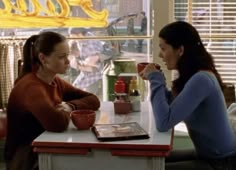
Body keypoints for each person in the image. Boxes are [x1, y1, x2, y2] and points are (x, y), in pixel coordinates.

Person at [139, 21, 236, 170]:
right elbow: (168, 106)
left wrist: (155, 79)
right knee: (149, 161)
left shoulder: (201, 79)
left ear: (180, 50)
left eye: (163, 48)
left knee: (152, 167)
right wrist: (158, 79)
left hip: (222, 163)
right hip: (207, 155)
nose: (160, 54)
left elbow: (164, 122)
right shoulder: (193, 77)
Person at [4, 31, 100, 170]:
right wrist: (66, 110)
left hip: (46, 149)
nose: (68, 61)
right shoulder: (31, 86)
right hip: (27, 159)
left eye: (68, 55)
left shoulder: (54, 81)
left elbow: (93, 100)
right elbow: (57, 123)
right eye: (62, 57)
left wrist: (69, 106)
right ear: (43, 58)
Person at [69, 28, 105, 99]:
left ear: (80, 35)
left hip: (95, 76)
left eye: (74, 37)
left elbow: (94, 69)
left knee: (86, 98)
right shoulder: (81, 39)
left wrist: (77, 66)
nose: (74, 39)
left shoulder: (91, 45)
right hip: (85, 73)